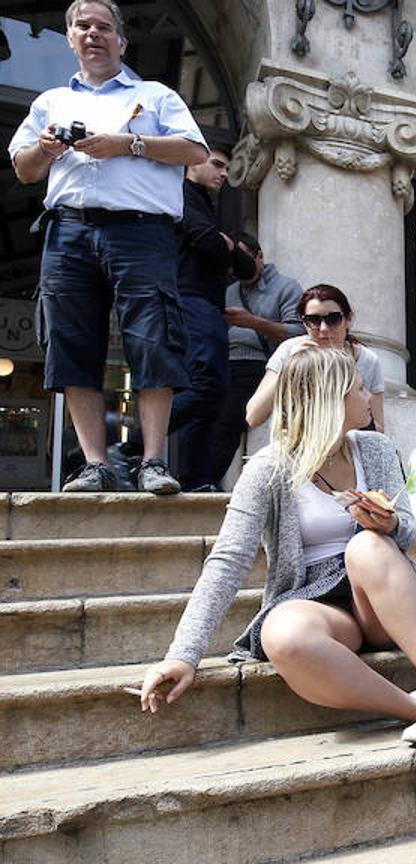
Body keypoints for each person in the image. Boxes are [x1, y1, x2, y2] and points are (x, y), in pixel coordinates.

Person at [139, 346, 416, 747]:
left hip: (381, 592)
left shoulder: (376, 448)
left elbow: (408, 532)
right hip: (315, 601)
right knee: (281, 633)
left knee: (365, 548)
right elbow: (227, 562)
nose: (369, 395)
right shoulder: (268, 467)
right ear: (330, 399)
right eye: (358, 388)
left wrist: (389, 524)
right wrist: (183, 655)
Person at [9, 0, 209, 494]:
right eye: (83, 27)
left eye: (104, 27)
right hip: (69, 230)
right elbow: (24, 169)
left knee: (153, 340)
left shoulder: (155, 95)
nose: (93, 34)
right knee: (72, 344)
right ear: (70, 38)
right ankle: (97, 464)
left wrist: (127, 144)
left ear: (122, 41)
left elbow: (195, 152)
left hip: (141, 231)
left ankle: (154, 463)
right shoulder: (51, 102)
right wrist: (47, 148)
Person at [169, 143, 258, 492]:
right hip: (189, 299)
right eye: (218, 165)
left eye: (227, 167)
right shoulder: (180, 194)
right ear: (193, 162)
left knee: (213, 392)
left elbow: (248, 267)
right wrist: (227, 247)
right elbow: (206, 240)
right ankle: (133, 444)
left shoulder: (209, 205)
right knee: (207, 385)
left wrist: (228, 245)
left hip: (207, 304)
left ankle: (196, 477)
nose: (224, 174)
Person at [204, 232, 304, 489]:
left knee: (227, 422)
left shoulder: (286, 287)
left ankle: (205, 480)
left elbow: (297, 334)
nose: (238, 268)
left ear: (259, 257)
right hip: (222, 361)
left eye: (243, 259)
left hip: (261, 365)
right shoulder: (227, 291)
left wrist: (253, 322)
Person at [245, 284, 385, 432]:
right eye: (314, 320)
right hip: (297, 448)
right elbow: (253, 417)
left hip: (347, 449)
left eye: (333, 319)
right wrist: (289, 369)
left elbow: (379, 427)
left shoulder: (366, 360)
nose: (323, 328)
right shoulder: (290, 351)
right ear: (304, 323)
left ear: (348, 319)